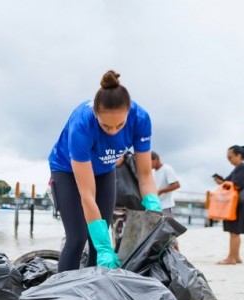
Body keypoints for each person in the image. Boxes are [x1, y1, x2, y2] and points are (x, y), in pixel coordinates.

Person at [48, 70, 161, 272]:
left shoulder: (141, 119)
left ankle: (93, 293)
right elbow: (87, 195)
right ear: (96, 115)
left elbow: (144, 175)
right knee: (78, 237)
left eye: (120, 124)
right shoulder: (82, 124)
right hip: (67, 171)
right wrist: (104, 246)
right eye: (106, 126)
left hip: (104, 170)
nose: (114, 131)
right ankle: (63, 293)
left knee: (98, 240)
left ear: (129, 113)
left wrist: (154, 208)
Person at [213, 145, 244, 265]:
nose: (229, 160)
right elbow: (228, 182)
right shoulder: (239, 168)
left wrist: (223, 183)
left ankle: (231, 258)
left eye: (230, 157)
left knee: (234, 232)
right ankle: (236, 257)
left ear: (239, 155)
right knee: (235, 232)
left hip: (236, 204)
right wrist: (221, 181)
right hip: (237, 203)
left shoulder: (241, 167)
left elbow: (236, 185)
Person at [151, 151, 180, 218]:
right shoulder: (152, 172)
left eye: (150, 162)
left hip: (166, 206)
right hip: (155, 206)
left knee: (167, 227)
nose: (149, 165)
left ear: (156, 159)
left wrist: (160, 191)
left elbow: (176, 185)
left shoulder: (167, 169)